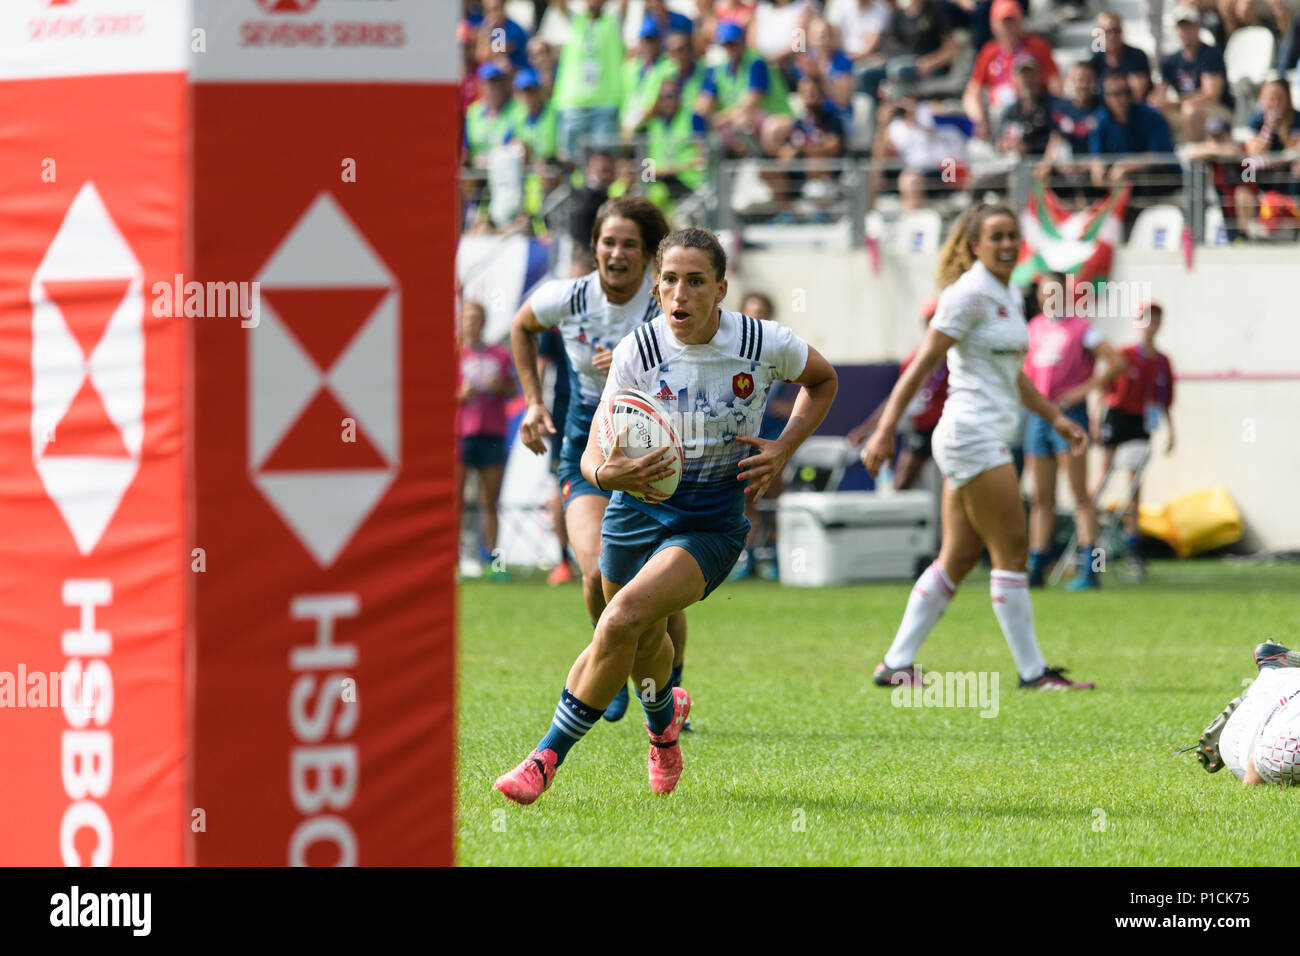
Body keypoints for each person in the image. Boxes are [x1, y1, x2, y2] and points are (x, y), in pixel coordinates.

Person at [494, 227, 838, 804]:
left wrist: (783, 447)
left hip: (708, 525)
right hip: (634, 511)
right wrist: (607, 476)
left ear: (721, 289)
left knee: (622, 617)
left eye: (696, 281)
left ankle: (543, 760)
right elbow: (595, 450)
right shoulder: (638, 351)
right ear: (657, 289)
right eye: (671, 281)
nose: (681, 293)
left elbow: (822, 381)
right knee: (643, 634)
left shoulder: (762, 342)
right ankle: (663, 728)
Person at [862, 203, 1096, 691]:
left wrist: (1056, 417)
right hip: (973, 437)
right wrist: (885, 430)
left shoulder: (1008, 292)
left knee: (958, 558)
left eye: (1013, 236)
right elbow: (922, 364)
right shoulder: (967, 295)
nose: (1008, 244)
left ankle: (895, 664)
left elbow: (1012, 376)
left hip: (974, 437)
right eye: (997, 237)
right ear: (975, 246)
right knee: (1012, 553)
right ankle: (1034, 673)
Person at [510, 196, 685, 724]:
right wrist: (535, 402)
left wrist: (637, 366)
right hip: (588, 444)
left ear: (649, 255)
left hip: (658, 448)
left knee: (662, 592)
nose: (617, 252)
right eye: (608, 242)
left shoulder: (665, 305)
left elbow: (695, 369)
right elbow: (521, 326)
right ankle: (611, 662)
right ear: (594, 248)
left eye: (630, 244)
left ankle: (670, 692)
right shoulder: (569, 297)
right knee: (596, 570)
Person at [1022, 273, 1125, 591]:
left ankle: (1089, 568)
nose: (1050, 297)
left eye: (1056, 291)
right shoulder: (1034, 328)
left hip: (1070, 416)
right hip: (1039, 416)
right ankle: (1037, 563)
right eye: (1044, 292)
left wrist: (1083, 392)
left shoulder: (1082, 328)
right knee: (1041, 496)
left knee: (1080, 495)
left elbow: (1116, 362)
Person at [1092, 302, 1174, 581]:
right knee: (1103, 477)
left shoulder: (1162, 361)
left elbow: (1164, 401)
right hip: (1118, 417)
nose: (1150, 324)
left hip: (1142, 422)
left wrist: (1172, 432)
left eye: (1156, 319)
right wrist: (1094, 420)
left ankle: (1132, 549)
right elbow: (1103, 389)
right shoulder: (1124, 354)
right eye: (1146, 319)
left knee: (1135, 485)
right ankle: (1088, 543)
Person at [850, 298, 946, 491]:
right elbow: (898, 396)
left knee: (956, 484)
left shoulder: (959, 356)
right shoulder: (915, 357)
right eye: (931, 319)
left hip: (949, 426)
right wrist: (868, 429)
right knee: (902, 484)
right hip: (922, 427)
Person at [736, 291, 795, 579]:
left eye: (763, 312)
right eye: (752, 312)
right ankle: (744, 560)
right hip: (741, 442)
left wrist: (786, 407)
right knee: (746, 501)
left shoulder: (780, 351)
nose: (757, 318)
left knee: (775, 500)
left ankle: (780, 559)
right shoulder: (731, 353)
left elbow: (808, 390)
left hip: (773, 441)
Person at [458, 301, 517, 581]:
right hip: (460, 433)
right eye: (469, 318)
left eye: (478, 318)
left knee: (491, 501)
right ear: (462, 321)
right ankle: (455, 561)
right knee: (454, 500)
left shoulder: (500, 354)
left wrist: (499, 386)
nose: (473, 323)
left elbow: (514, 388)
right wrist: (460, 394)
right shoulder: (454, 353)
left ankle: (495, 563)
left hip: (493, 432)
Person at [1193, 642, 1300, 786]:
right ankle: (1272, 668)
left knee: (1283, 684)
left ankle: (1276, 668)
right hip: (1244, 742)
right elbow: (1253, 774)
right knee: (1268, 691)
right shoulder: (1291, 747)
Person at [962, 0, 1062, 141]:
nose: (1008, 27)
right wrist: (980, 120)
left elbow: (1055, 84)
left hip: (1031, 111)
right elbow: (972, 92)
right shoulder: (989, 52)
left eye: (1012, 21)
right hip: (998, 114)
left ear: (1021, 21)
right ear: (993, 24)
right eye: (1003, 22)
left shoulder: (1037, 47)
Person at [697, 19, 794, 157]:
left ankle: (760, 160)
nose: (730, 48)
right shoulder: (719, 68)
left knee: (742, 122)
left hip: (775, 117)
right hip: (743, 120)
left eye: (733, 43)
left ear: (742, 42)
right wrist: (706, 118)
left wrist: (721, 119)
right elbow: (703, 102)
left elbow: (751, 102)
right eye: (726, 44)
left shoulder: (756, 62)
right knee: (714, 132)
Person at [552, 0, 625, 164]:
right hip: (573, 104)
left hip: (605, 104)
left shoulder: (613, 21)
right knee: (571, 160)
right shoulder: (575, 21)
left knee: (603, 161)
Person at [1154, 5, 1234, 144]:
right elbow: (1160, 90)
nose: (1184, 31)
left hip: (1217, 108)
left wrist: (1175, 103)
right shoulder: (1170, 60)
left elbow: (1211, 95)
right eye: (1181, 27)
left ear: (1198, 27)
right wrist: (1157, 103)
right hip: (1183, 108)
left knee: (1191, 111)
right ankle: (1160, 161)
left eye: (1188, 26)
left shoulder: (1211, 54)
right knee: (1151, 114)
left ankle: (1196, 161)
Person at [538, 326, 576, 585]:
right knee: (561, 485)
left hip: (606, 408)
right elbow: (542, 361)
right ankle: (563, 560)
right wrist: (536, 406)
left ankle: (607, 557)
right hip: (563, 415)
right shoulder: (557, 315)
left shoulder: (611, 303)